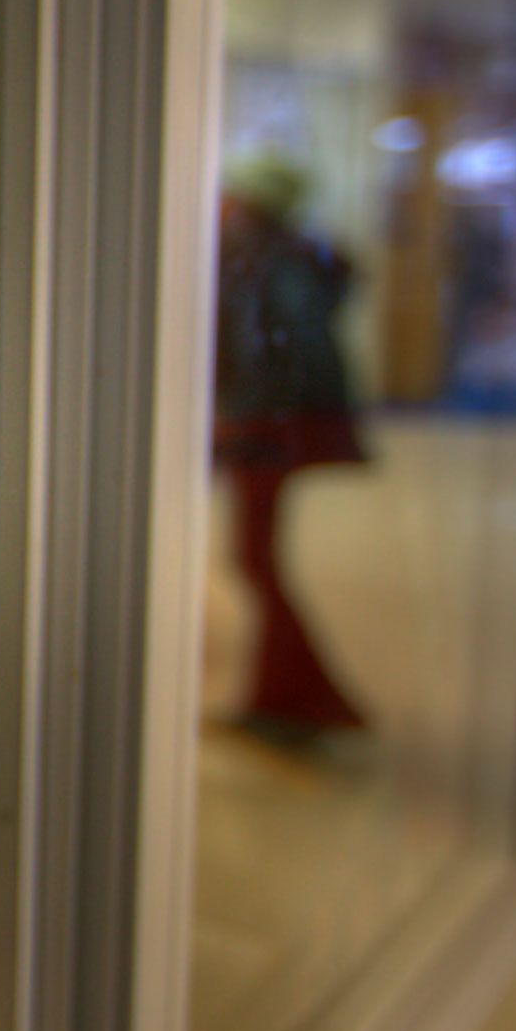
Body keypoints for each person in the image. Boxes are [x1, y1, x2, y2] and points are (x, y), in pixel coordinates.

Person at [213, 154, 370, 735]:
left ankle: (300, 700)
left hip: (270, 427)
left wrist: (242, 416)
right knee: (256, 559)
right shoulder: (279, 252)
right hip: (274, 423)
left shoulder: (261, 255)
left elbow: (272, 345)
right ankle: (283, 695)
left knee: (256, 560)